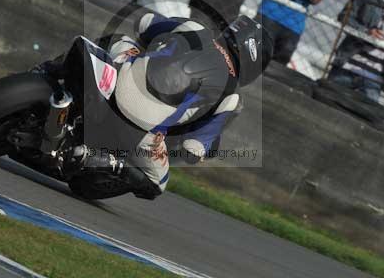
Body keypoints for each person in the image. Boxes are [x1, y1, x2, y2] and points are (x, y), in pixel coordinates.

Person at [36, 13, 274, 200]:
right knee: (156, 183)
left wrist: (157, 45)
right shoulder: (231, 96)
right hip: (142, 130)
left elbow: (145, 23)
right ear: (255, 62)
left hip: (118, 84)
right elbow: (194, 148)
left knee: (118, 39)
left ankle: (47, 72)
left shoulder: (196, 29)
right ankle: (100, 160)